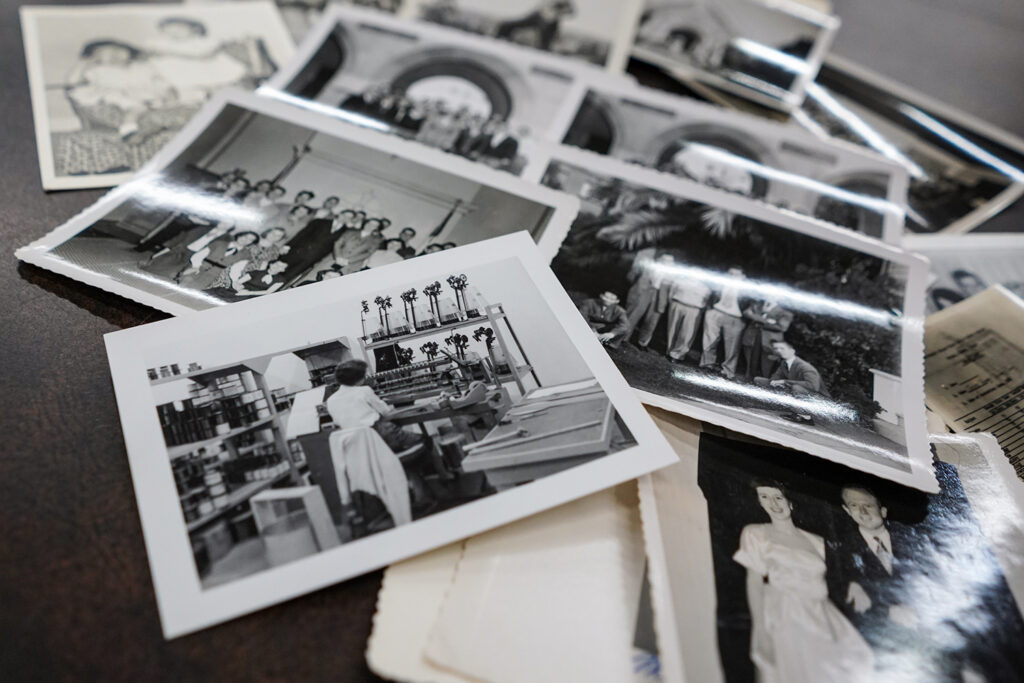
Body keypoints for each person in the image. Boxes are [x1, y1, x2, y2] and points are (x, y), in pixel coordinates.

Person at [734, 481, 874, 683]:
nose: (773, 503)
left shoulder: (816, 541)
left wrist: (854, 585)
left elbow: (837, 576)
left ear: (789, 501)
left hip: (821, 612)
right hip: (786, 612)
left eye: (778, 497)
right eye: (764, 497)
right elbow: (754, 583)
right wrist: (760, 630)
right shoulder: (755, 533)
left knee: (858, 659)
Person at [326, 360, 425, 453]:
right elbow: (386, 412)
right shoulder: (364, 390)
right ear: (360, 378)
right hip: (380, 434)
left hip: (359, 446)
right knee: (423, 439)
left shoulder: (330, 401)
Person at [699, 267, 746, 378]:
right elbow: (710, 296)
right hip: (716, 312)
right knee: (709, 339)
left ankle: (728, 370)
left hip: (735, 317)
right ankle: (707, 364)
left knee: (732, 345)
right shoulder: (720, 284)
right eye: (730, 273)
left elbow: (751, 305)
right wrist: (709, 309)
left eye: (736, 274)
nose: (732, 276)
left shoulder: (747, 290)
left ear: (743, 277)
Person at [753, 340, 829, 397]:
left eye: (782, 348)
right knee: (758, 380)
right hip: (793, 389)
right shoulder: (784, 363)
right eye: (776, 349)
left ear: (792, 351)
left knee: (796, 388)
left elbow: (813, 386)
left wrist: (784, 382)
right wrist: (775, 382)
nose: (778, 351)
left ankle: (802, 415)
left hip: (817, 397)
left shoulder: (804, 366)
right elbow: (775, 378)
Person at [741, 299, 794, 379]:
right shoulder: (758, 303)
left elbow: (782, 327)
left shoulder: (785, 310)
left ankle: (764, 383)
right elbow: (746, 313)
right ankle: (748, 380)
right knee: (750, 361)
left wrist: (755, 318)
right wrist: (766, 321)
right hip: (752, 336)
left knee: (767, 365)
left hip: (770, 341)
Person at [666, 271, 711, 364]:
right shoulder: (679, 281)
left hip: (694, 309)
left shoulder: (705, 288)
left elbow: (706, 302)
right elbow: (671, 293)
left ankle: (677, 354)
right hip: (678, 304)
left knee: (687, 333)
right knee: (672, 329)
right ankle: (669, 350)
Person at [494, 0, 575, 51]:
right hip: (540, 16)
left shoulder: (562, 6)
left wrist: (558, 12)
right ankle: (502, 36)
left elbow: (570, 11)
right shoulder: (541, 15)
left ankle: (544, 49)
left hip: (548, 19)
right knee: (507, 26)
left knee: (546, 40)